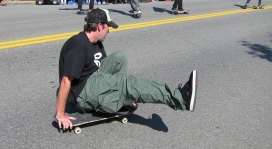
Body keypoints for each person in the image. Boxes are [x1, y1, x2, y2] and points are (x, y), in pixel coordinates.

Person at [55, 8, 199, 130]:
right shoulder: (78, 46)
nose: (109, 31)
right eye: (107, 27)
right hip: (83, 92)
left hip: (94, 79)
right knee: (126, 83)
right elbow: (66, 81)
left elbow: (104, 65)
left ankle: (121, 97)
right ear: (99, 26)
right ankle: (180, 98)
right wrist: (60, 113)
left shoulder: (95, 42)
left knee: (120, 58)